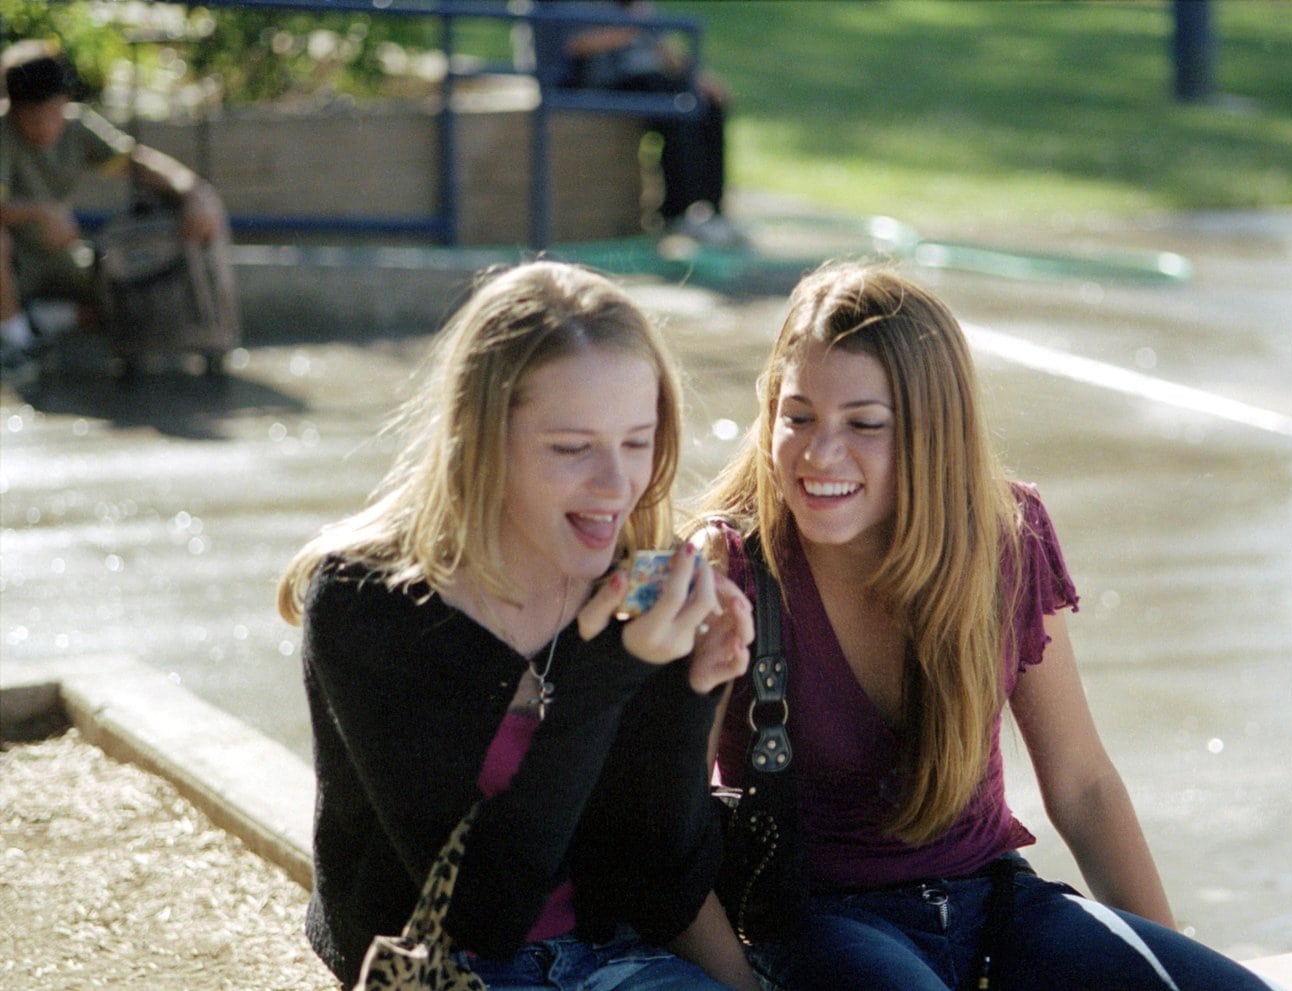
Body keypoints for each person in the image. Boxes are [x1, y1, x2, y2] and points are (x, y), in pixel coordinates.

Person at [693, 261, 1277, 991]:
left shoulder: (1008, 535)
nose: (819, 453)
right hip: (818, 922)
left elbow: (1083, 782)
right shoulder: (729, 566)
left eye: (864, 423)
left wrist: (1163, 961)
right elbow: (663, 826)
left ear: (934, 431)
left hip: (993, 901)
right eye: (798, 415)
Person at [276, 261, 760, 991]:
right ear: (480, 439)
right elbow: (484, 913)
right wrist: (609, 669)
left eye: (637, 441)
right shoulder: (366, 603)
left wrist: (691, 693)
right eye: (572, 448)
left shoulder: (640, 580)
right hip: (448, 967)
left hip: (617, 956)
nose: (616, 484)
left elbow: (660, 878)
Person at [0, 41, 230, 377]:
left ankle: (39, 319)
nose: (42, 128)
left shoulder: (78, 128)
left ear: (64, 103)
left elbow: (137, 162)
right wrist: (42, 212)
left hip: (56, 257)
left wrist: (193, 191)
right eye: (31, 119)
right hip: (12, 262)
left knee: (123, 303)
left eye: (50, 115)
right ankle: (16, 343)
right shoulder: (2, 133)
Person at [527, 1, 742, 247]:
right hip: (587, 79)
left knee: (705, 103)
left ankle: (711, 210)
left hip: (638, 76)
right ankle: (679, 211)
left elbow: (659, 41)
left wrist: (699, 78)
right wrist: (625, 31)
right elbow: (566, 44)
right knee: (670, 100)